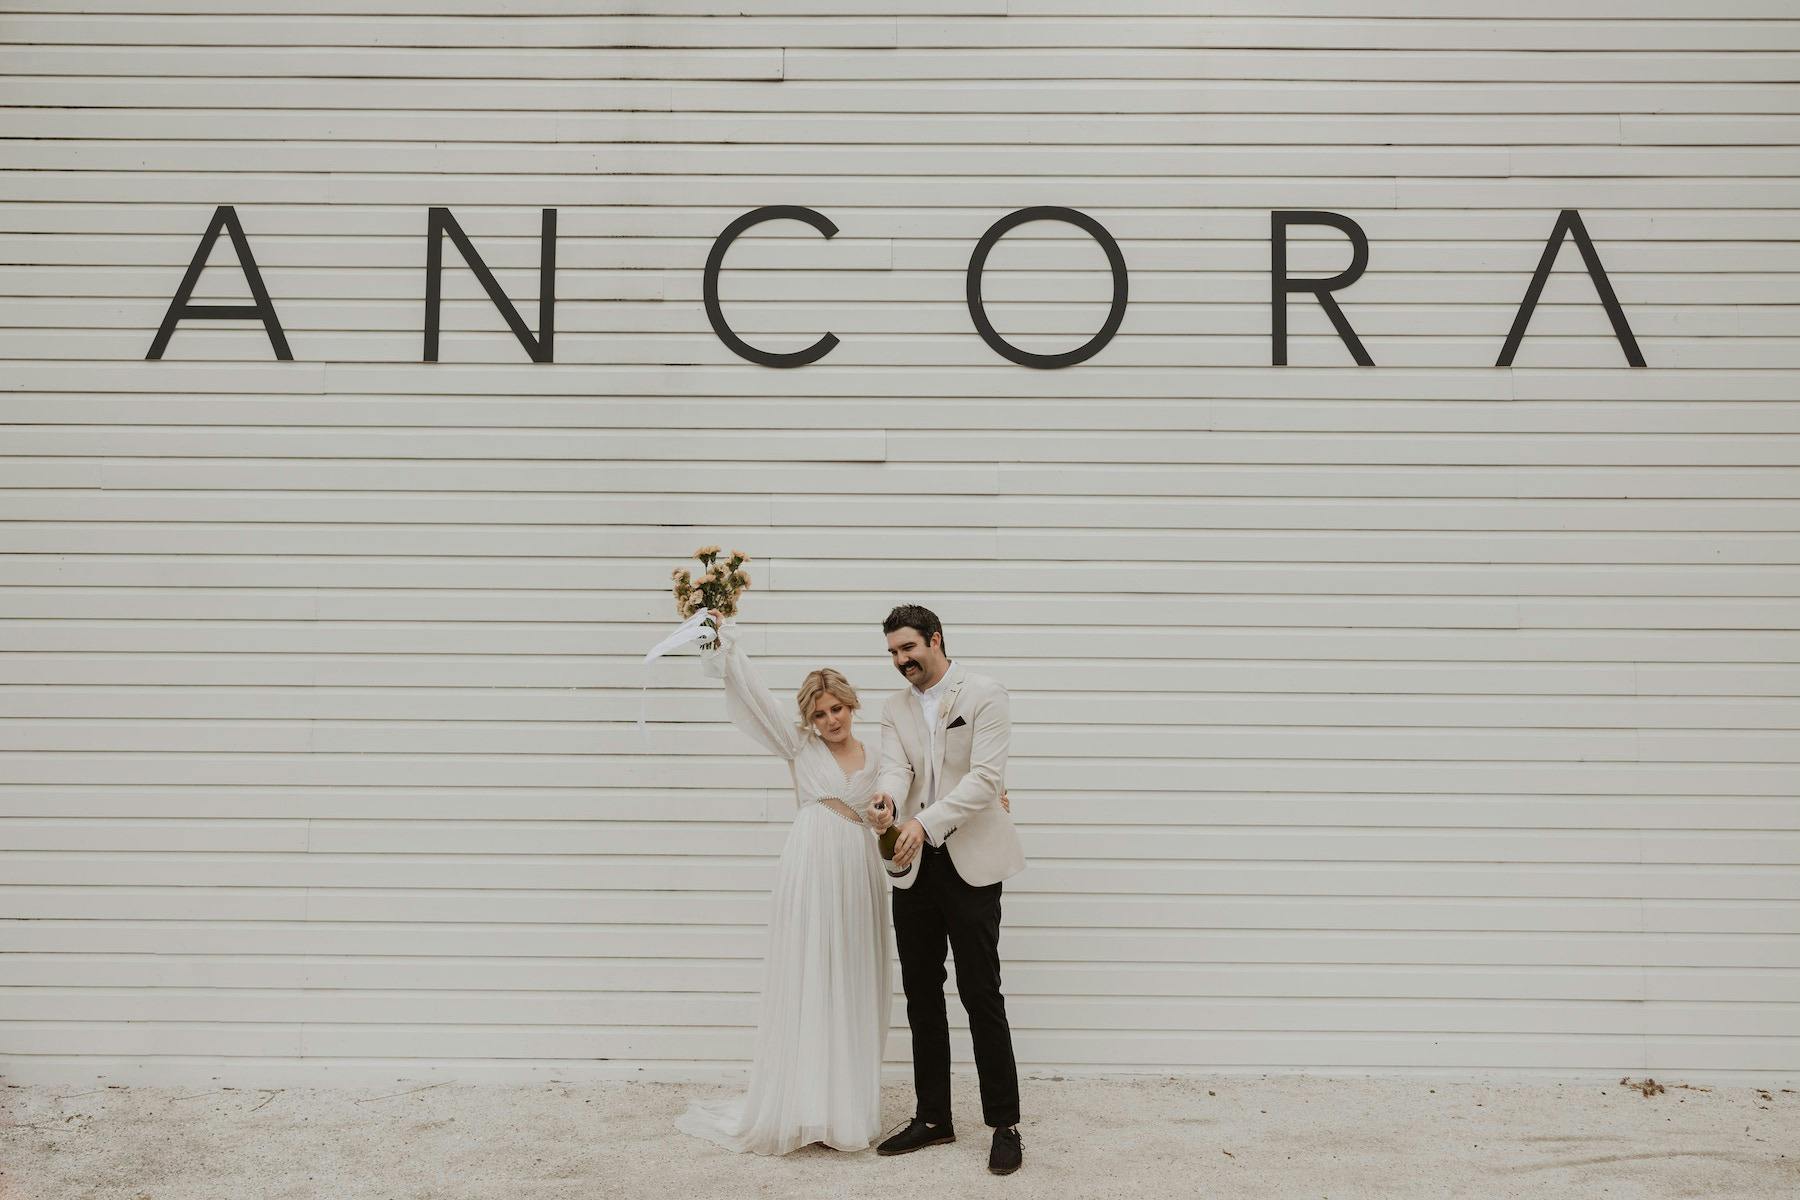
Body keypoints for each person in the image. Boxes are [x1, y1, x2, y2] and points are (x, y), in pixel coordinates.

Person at [675, 611, 1009, 1156]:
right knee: (813, 978)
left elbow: (922, 776)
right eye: (820, 712)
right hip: (812, 867)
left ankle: (850, 1108)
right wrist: (725, 646)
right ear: (808, 717)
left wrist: (995, 794)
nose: (831, 719)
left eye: (837, 708)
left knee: (859, 980)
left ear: (851, 705)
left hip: (860, 871)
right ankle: (809, 1106)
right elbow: (757, 702)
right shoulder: (798, 745)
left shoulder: (881, 748)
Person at [867, 603, 1027, 1176]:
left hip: (970, 862)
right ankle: (934, 1116)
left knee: (981, 992)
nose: (900, 661)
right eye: (892, 653)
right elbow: (895, 768)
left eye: (908, 648)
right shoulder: (892, 708)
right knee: (921, 993)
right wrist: (886, 802)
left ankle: (1004, 1124)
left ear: (935, 640)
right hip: (914, 867)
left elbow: (986, 780)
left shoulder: (986, 693)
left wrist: (924, 821)